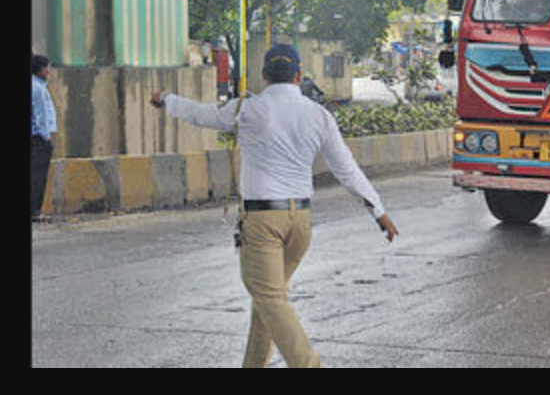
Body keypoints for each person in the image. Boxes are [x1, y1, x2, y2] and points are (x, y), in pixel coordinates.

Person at [150, 43, 398, 368]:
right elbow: (347, 170)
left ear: (264, 75)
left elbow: (201, 113)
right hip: (300, 224)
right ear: (298, 75)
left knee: (269, 298)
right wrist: (378, 211)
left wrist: (166, 99)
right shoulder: (319, 115)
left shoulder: (246, 109)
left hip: (263, 222)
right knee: (267, 304)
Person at [31, 54, 58, 222]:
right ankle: (35, 211)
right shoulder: (38, 88)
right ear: (40, 70)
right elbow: (40, 115)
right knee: (38, 175)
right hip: (38, 137)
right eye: (47, 67)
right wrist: (46, 136)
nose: (49, 71)